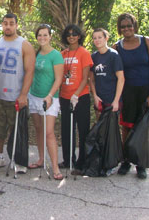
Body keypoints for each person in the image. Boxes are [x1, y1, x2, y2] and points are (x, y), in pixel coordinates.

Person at [0, 13, 35, 173]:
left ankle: (18, 159)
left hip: (16, 95)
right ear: (2, 25)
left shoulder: (24, 45)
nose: (8, 26)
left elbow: (29, 72)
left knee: (18, 129)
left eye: (11, 23)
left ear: (16, 25)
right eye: (5, 23)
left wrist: (23, 95)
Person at [114, 13, 149, 179]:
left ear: (134, 26)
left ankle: (141, 163)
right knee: (127, 126)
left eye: (129, 25)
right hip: (128, 91)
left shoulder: (146, 41)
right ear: (120, 28)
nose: (127, 29)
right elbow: (116, 73)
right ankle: (126, 160)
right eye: (123, 26)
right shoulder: (117, 47)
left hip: (145, 90)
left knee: (144, 127)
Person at [27, 24, 64, 180]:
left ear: (50, 36)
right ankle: (41, 159)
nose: (42, 38)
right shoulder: (35, 54)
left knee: (49, 132)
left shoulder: (56, 55)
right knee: (38, 129)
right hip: (34, 96)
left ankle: (55, 167)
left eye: (45, 35)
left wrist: (49, 95)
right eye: (39, 35)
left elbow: (59, 79)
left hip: (49, 98)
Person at [59, 24, 93, 175]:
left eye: (74, 34)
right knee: (66, 130)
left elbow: (86, 78)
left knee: (83, 130)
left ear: (79, 36)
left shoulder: (84, 53)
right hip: (65, 97)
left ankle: (82, 162)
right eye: (68, 34)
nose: (71, 36)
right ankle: (68, 160)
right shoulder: (63, 54)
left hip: (81, 97)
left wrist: (76, 95)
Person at [90, 28, 124, 114]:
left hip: (112, 99)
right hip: (100, 99)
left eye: (100, 37)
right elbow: (91, 80)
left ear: (106, 38)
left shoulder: (114, 55)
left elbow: (121, 79)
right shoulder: (93, 57)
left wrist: (116, 101)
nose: (97, 40)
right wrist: (95, 96)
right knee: (100, 126)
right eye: (95, 38)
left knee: (112, 126)